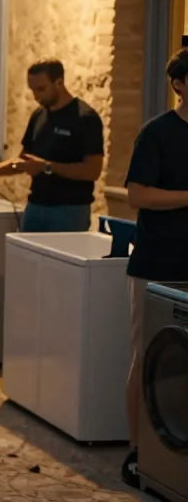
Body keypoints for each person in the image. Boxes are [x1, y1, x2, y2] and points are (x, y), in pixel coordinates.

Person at [120, 49, 188, 489]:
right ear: (180, 85)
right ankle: (139, 453)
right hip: (159, 263)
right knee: (149, 357)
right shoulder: (157, 134)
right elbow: (137, 196)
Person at [0, 59, 103, 232]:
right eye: (32, 90)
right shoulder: (39, 115)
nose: (36, 96)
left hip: (69, 211)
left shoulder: (85, 118)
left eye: (41, 89)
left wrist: (47, 167)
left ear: (59, 82)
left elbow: (93, 170)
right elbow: (24, 160)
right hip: (35, 207)